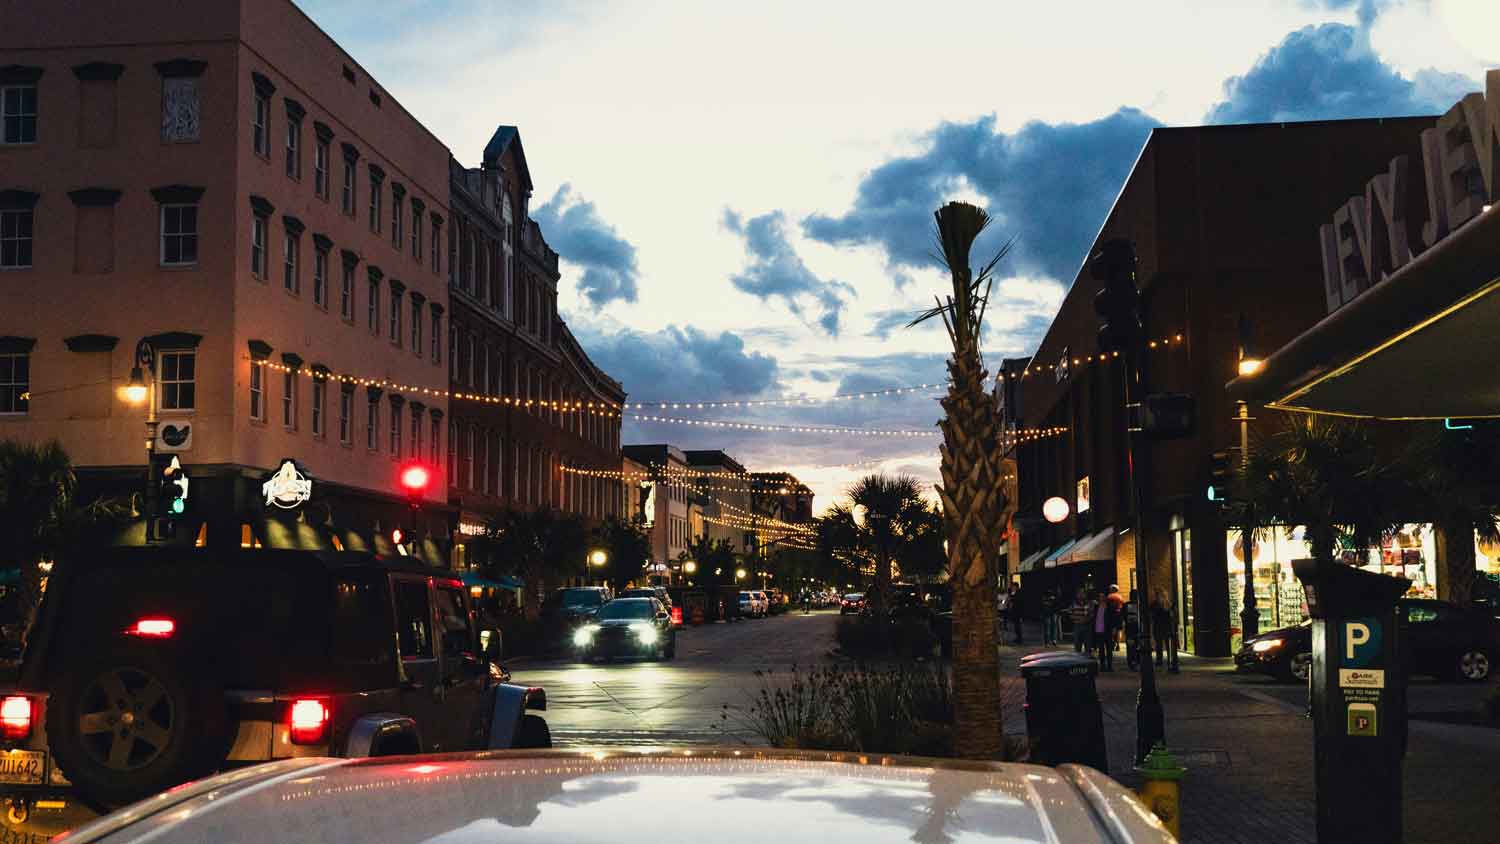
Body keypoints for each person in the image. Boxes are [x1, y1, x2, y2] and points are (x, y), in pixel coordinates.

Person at [1150, 588, 1178, 672]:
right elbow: (1173, 615)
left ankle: (1160, 661)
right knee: (1168, 644)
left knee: (1159, 645)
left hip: (1159, 626)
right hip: (1167, 627)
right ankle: (1171, 661)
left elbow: (1152, 614)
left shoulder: (1156, 604)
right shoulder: (1169, 604)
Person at [1123, 589, 1141, 669]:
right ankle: (1135, 661)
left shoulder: (1126, 605)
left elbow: (1123, 617)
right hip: (1135, 629)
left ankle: (1132, 661)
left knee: (1131, 647)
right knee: (1135, 646)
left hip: (1131, 629)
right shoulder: (1139, 605)